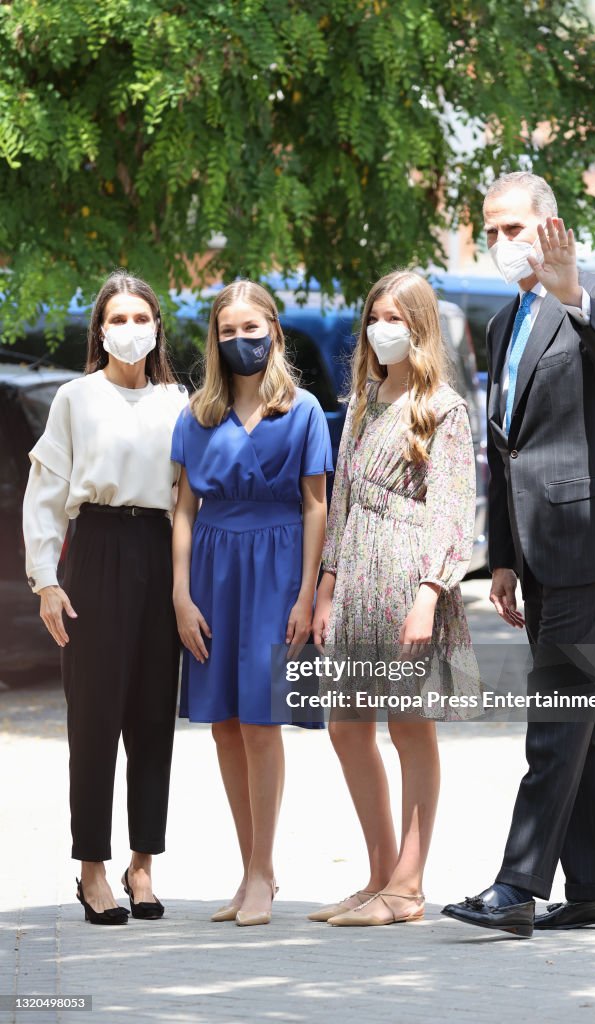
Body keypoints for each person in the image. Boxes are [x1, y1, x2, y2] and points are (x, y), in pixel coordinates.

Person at [441, 171, 595, 938]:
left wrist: (572, 297)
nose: (500, 243)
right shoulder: (505, 322)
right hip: (533, 548)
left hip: (591, 539)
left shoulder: (592, 292)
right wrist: (499, 556)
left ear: (550, 227)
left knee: (557, 712)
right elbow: (507, 446)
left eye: (512, 229)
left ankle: (517, 886)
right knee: (584, 716)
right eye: (489, 231)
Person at [309, 269, 479, 928]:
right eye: (375, 316)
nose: (383, 327)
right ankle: (379, 874)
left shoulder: (443, 408)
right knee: (346, 726)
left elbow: (451, 509)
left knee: (410, 729)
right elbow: (343, 502)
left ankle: (408, 886)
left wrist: (429, 594)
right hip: (356, 579)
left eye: (396, 317)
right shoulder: (363, 400)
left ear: (420, 326)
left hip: (409, 578)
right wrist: (326, 587)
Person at [22, 271, 189, 925]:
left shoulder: (179, 401)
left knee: (152, 719)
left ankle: (142, 864)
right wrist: (46, 579)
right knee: (93, 718)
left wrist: (186, 584)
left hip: (158, 546)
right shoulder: (75, 398)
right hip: (93, 550)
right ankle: (92, 868)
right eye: (115, 319)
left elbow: (187, 498)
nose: (128, 330)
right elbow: (45, 493)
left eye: (139, 318)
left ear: (155, 328)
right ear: (100, 330)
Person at [171, 280, 333, 927]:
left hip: (276, 568)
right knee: (223, 724)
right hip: (212, 567)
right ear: (215, 339)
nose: (240, 341)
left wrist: (304, 591)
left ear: (274, 332)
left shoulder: (304, 411)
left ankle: (264, 872)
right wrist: (180, 593)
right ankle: (246, 872)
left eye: (251, 328)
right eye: (227, 331)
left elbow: (317, 505)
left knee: (263, 723)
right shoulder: (197, 414)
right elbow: (183, 508)